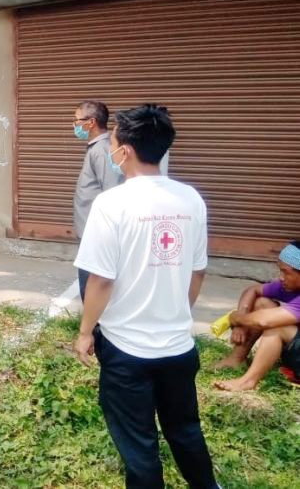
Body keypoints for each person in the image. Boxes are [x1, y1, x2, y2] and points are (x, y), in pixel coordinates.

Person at [73, 104, 218, 489]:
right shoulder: (191, 199)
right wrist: (176, 311)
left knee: (139, 446)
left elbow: (100, 280)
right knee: (185, 429)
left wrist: (86, 331)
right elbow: (197, 270)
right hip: (178, 347)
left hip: (127, 352)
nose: (111, 148)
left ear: (126, 150)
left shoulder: (112, 203)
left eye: (114, 141)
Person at [212, 241, 300, 391]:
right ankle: (236, 359)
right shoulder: (289, 286)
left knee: (277, 328)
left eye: (286, 272)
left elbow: (264, 321)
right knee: (262, 302)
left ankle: (247, 382)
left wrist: (236, 318)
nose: (281, 277)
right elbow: (252, 290)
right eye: (281, 271)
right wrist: (242, 320)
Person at [72, 100, 123, 299]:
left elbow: (111, 192)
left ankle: (95, 328)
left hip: (97, 233)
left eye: (76, 121)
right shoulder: (97, 148)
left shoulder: (102, 150)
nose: (74, 125)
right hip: (91, 230)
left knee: (92, 287)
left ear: (90, 122)